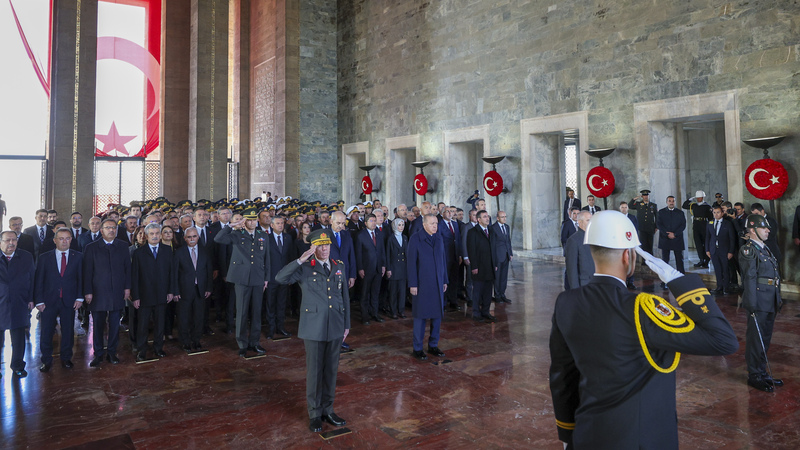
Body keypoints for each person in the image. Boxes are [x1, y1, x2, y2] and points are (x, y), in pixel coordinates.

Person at [549, 210, 738, 450]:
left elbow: (562, 376)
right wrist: (682, 283)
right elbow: (723, 341)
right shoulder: (642, 308)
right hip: (640, 439)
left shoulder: (566, 302)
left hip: (589, 433)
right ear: (627, 256)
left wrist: (567, 434)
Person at [275, 229, 350, 434]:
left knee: (331, 371)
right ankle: (315, 414)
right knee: (315, 372)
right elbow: (280, 278)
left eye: (327, 245)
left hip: (335, 324)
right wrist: (300, 259)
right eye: (320, 246)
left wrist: (346, 324)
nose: (325, 249)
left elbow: (344, 298)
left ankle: (328, 410)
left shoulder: (338, 266)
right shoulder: (305, 268)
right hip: (313, 327)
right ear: (313, 247)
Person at [214, 207, 270, 358]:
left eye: (253, 219)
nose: (251, 222)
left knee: (257, 312)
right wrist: (231, 225)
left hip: (258, 277)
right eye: (248, 219)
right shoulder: (236, 234)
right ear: (243, 221)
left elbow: (267, 258)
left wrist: (266, 278)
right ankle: (242, 344)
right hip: (241, 278)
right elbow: (218, 239)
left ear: (257, 220)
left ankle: (255, 342)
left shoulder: (262, 235)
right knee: (242, 311)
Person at [739, 214, 782, 392]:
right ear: (752, 230)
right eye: (764, 228)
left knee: (765, 338)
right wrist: (751, 304)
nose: (768, 230)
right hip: (758, 300)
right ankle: (754, 374)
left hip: (769, 299)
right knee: (756, 339)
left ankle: (762, 372)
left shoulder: (765, 249)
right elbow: (749, 278)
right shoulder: (749, 250)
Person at [83, 218, 131, 367]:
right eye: (108, 228)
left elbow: (127, 269)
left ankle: (111, 352)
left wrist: (127, 287)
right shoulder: (91, 247)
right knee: (97, 325)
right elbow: (87, 272)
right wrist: (88, 291)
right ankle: (98, 354)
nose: (111, 230)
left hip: (117, 291)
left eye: (114, 228)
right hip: (98, 292)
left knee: (115, 324)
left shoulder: (123, 246)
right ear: (101, 230)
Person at [34, 227, 83, 372]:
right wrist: (39, 300)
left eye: (67, 238)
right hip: (48, 301)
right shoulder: (44, 257)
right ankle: (46, 360)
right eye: (61, 238)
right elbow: (39, 280)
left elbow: (81, 278)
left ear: (71, 240)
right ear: (55, 240)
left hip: (69, 300)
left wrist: (79, 297)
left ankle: (66, 358)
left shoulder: (78, 256)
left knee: (68, 331)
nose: (64, 241)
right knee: (47, 331)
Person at [131, 223, 176, 361]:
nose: (155, 236)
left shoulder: (167, 250)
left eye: (157, 233)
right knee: (143, 325)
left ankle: (158, 348)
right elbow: (135, 276)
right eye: (152, 234)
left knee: (160, 323)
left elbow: (172, 273)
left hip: (162, 293)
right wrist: (136, 297)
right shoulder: (139, 253)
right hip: (144, 295)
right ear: (146, 235)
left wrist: (171, 291)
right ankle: (142, 349)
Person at [407, 214, 448, 361]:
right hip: (422, 283)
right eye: (432, 224)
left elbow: (443, 260)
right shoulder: (415, 239)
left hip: (437, 283)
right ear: (424, 224)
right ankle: (417, 348)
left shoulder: (439, 238)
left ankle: (433, 345)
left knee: (437, 316)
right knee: (421, 317)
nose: (435, 226)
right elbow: (411, 263)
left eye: (436, 223)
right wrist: (413, 284)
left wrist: (444, 279)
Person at [0, 230, 35, 378]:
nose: (11, 243)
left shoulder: (26, 256)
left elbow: (32, 279)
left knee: (19, 338)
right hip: (1, 302)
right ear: (1, 242)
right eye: (7, 240)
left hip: (19, 302)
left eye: (14, 240)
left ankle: (18, 366)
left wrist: (32, 298)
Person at [174, 227, 213, 352]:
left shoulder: (205, 251)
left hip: (201, 290)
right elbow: (174, 274)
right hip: (184, 290)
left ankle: (196, 340)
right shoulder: (179, 253)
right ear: (185, 238)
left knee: (199, 317)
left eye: (194, 236)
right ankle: (185, 341)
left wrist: (208, 288)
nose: (192, 239)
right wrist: (175, 291)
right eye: (189, 237)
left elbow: (208, 271)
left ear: (198, 237)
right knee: (184, 318)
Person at [265, 216, 293, 338]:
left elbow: (291, 258)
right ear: (272, 225)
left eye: (282, 223)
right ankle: (271, 329)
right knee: (270, 304)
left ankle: (280, 327)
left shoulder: (288, 238)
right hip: (271, 277)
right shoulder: (267, 238)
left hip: (284, 277)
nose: (280, 225)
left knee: (282, 303)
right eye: (278, 223)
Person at [355, 213, 385, 324]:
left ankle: (375, 314)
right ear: (366, 223)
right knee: (365, 294)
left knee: (375, 293)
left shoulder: (379, 233)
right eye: (371, 221)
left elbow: (382, 251)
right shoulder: (360, 235)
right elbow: (358, 253)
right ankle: (365, 317)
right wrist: (360, 268)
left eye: (374, 220)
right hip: (366, 269)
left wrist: (383, 265)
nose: (373, 223)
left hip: (378, 268)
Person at [466, 210, 496, 322]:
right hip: (479, 267)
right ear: (479, 219)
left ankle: (486, 312)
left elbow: (494, 248)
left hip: (490, 266)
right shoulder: (472, 232)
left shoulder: (491, 230)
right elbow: (471, 250)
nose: (487, 218)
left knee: (488, 291)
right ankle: (476, 313)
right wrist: (474, 266)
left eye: (487, 216)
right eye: (484, 217)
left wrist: (495, 264)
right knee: (478, 291)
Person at [656, 195, 686, 289]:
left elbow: (683, 225)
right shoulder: (661, 212)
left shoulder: (680, 213)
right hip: (665, 239)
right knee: (665, 261)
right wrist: (667, 234)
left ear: (675, 202)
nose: (671, 202)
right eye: (669, 201)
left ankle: (681, 280)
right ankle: (664, 281)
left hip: (677, 239)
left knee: (679, 261)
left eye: (673, 201)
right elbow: (659, 224)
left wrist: (675, 234)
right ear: (666, 202)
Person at [706, 204, 736, 295]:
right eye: (714, 213)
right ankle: (719, 286)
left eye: (718, 212)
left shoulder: (728, 223)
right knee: (717, 269)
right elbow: (707, 237)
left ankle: (726, 287)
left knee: (725, 269)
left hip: (724, 250)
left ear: (722, 213)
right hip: (714, 250)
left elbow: (732, 239)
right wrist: (707, 250)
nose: (716, 214)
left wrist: (731, 251)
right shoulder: (710, 223)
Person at [439, 206, 462, 311]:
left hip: (455, 256)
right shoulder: (440, 225)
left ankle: (453, 301)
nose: (449, 213)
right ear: (442, 213)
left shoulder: (455, 224)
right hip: (445, 257)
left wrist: (460, 255)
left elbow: (458, 240)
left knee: (454, 279)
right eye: (447, 211)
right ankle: (443, 302)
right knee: (445, 280)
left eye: (451, 211)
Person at [682, 190, 713, 268]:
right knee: (698, 244)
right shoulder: (694, 205)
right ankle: (701, 260)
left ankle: (706, 261)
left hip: (704, 226)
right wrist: (690, 199)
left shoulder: (707, 206)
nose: (698, 199)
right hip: (696, 226)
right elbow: (684, 206)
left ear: (703, 197)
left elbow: (711, 219)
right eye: (697, 198)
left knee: (705, 244)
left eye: (700, 197)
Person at [564, 211, 594, 289]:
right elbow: (572, 268)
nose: (591, 223)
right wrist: (575, 291)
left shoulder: (594, 237)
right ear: (580, 222)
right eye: (588, 220)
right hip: (583, 285)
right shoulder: (573, 240)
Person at [386, 218, 408, 319]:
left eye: (402, 225)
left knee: (402, 291)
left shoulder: (405, 238)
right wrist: (388, 269)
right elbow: (388, 254)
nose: (401, 227)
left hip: (403, 268)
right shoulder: (391, 238)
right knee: (393, 292)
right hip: (394, 268)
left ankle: (401, 310)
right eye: (399, 225)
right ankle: (393, 311)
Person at [491, 210, 513, 304]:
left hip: (506, 255)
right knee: (497, 277)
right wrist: (494, 259)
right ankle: (497, 295)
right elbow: (493, 245)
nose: (504, 218)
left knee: (504, 277)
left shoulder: (507, 227)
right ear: (497, 218)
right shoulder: (493, 228)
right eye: (502, 217)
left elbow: (508, 241)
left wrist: (510, 253)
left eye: (505, 216)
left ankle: (503, 294)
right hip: (498, 256)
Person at [629, 189, 658, 254]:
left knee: (650, 245)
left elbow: (657, 217)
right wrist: (634, 199)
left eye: (647, 195)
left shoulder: (653, 205)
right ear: (642, 196)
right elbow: (629, 206)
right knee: (643, 245)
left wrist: (656, 226)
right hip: (642, 228)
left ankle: (651, 260)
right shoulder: (639, 204)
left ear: (648, 196)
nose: (646, 197)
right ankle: (643, 261)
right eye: (644, 195)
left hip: (650, 228)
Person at [619, 202, 639, 289]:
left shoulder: (633, 217)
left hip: (630, 243)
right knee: (621, 262)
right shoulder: (617, 218)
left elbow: (636, 230)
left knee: (630, 261)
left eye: (625, 207)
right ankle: (622, 281)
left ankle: (630, 282)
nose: (624, 209)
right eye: (622, 207)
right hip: (620, 244)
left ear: (628, 208)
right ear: (620, 208)